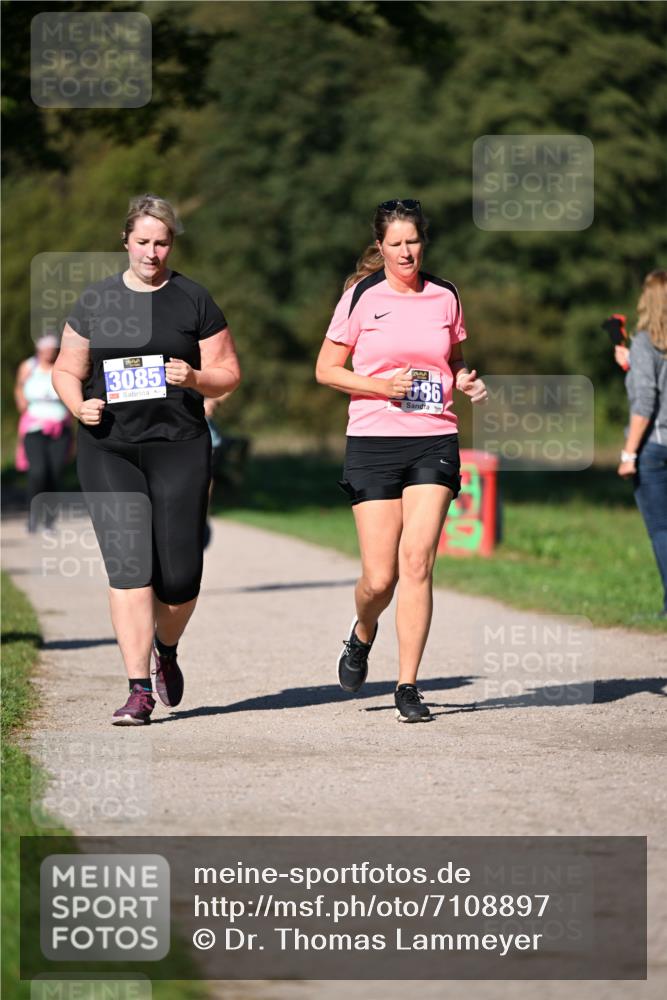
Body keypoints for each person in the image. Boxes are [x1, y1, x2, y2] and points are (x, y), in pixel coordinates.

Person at [52, 194, 241, 725]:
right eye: (143, 242)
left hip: (179, 447)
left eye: (161, 243)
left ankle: (167, 648)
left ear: (171, 245)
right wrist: (77, 404)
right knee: (130, 567)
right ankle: (138, 689)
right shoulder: (96, 301)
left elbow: (228, 372)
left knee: (180, 578)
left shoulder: (193, 300)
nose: (152, 252)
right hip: (110, 447)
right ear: (126, 241)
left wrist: (196, 378)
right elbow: (67, 370)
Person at [315, 198, 487, 722]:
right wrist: (379, 386)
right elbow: (326, 369)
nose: (406, 251)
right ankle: (362, 632)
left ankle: (407, 685)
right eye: (396, 244)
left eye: (413, 241)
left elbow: (453, 360)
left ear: (423, 241)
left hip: (434, 437)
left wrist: (464, 378)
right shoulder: (361, 297)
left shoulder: (446, 295)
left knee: (418, 561)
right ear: (381, 247)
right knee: (379, 579)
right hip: (373, 440)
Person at [617, 269, 667, 616]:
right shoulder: (644, 349)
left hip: (654, 448)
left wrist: (628, 453)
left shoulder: (646, 342)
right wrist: (632, 363)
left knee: (662, 530)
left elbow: (646, 403)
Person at [14, 334, 72, 531]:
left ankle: (50, 519)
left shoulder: (63, 366)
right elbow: (19, 387)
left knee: (55, 473)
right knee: (38, 471)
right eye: (45, 348)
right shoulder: (29, 366)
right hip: (34, 426)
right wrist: (21, 403)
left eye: (52, 349)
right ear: (39, 349)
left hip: (60, 427)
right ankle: (33, 515)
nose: (49, 352)